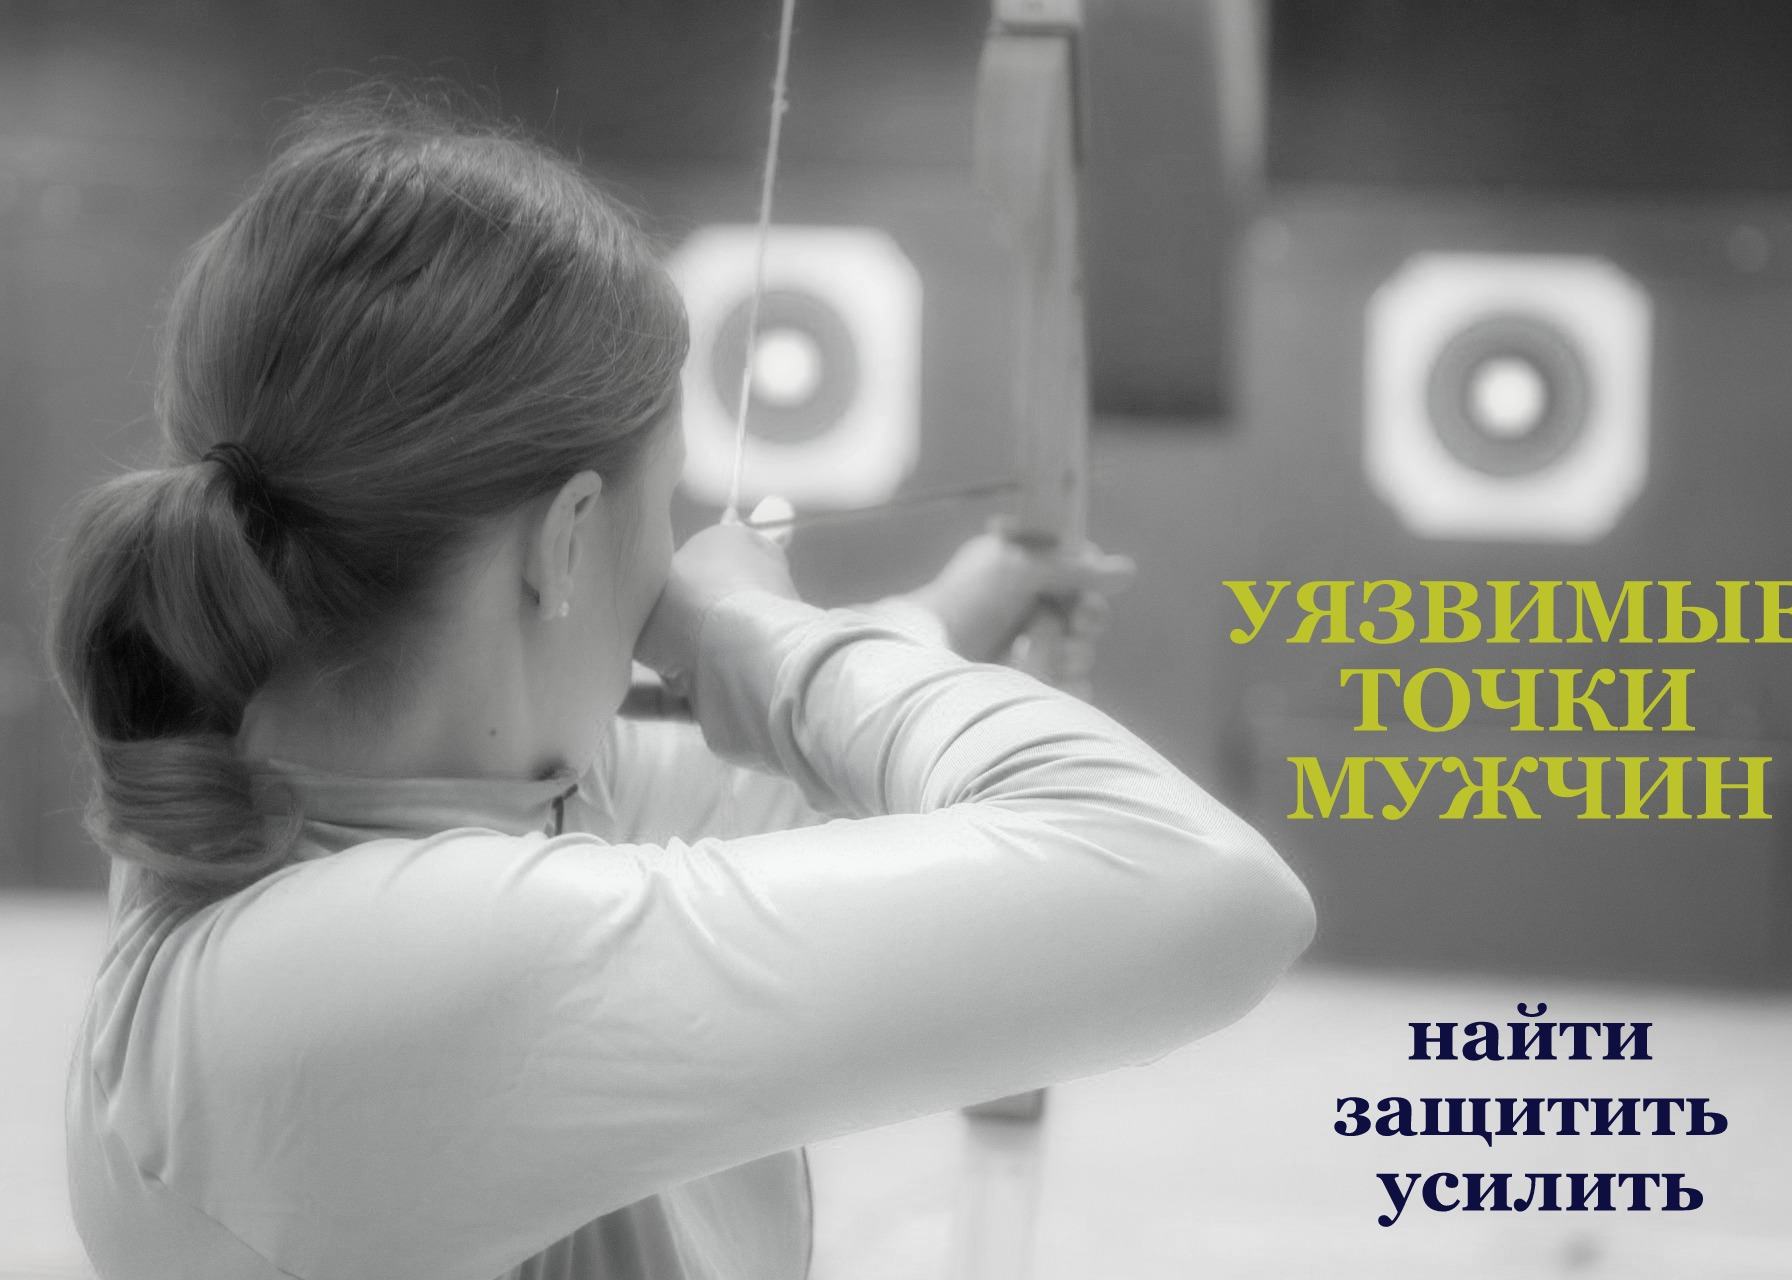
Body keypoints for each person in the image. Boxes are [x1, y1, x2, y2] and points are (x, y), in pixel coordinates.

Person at [46, 92, 1315, 1280]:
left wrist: (944, 613)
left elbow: (740, 779)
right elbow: (1206, 887)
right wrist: (757, 627)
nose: (674, 562)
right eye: (664, 510)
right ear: (564, 542)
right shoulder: (386, 976)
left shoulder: (284, 772)